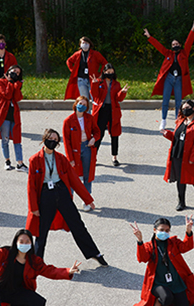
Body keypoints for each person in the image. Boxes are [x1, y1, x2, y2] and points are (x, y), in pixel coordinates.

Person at [26, 128, 108, 266]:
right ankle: (37, 262)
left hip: (62, 193)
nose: (52, 141)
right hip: (45, 196)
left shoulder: (61, 158)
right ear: (44, 139)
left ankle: (94, 253)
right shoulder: (34, 160)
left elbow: (74, 180)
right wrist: (33, 207)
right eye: (50, 139)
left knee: (78, 225)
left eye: (55, 140)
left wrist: (88, 200)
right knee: (41, 231)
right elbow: (31, 186)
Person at [127, 217, 194, 306]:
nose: (164, 233)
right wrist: (140, 241)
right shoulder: (150, 245)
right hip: (159, 283)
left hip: (176, 283)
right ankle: (158, 302)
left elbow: (186, 247)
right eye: (161, 230)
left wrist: (188, 232)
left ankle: (174, 298)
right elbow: (142, 258)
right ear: (154, 230)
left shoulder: (173, 242)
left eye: (167, 230)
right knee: (166, 299)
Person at [144, 20, 194, 130]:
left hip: (179, 79)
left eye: (176, 44)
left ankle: (177, 121)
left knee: (178, 102)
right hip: (169, 79)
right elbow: (159, 46)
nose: (175, 46)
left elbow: (189, 42)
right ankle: (163, 121)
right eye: (173, 44)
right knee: (165, 100)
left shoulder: (184, 53)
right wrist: (149, 37)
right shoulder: (168, 53)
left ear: (180, 45)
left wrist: (192, 30)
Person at [160, 100, 194, 212]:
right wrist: (168, 134)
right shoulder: (181, 120)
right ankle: (181, 202)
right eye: (183, 108)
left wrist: (193, 159)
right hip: (177, 155)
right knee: (180, 180)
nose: (184, 110)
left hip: (191, 157)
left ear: (193, 108)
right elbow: (177, 137)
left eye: (187, 107)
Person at [63, 96, 101, 210]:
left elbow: (97, 132)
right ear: (75, 104)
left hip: (87, 148)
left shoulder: (89, 118)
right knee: (73, 177)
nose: (82, 106)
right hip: (74, 151)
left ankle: (87, 201)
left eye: (84, 105)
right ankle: (69, 200)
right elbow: (66, 141)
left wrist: (94, 139)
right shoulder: (68, 121)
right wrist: (70, 159)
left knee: (87, 175)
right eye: (80, 103)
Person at [90, 63, 129, 166]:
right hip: (101, 110)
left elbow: (118, 98)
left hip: (113, 111)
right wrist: (94, 84)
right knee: (99, 134)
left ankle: (114, 157)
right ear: (104, 72)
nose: (110, 74)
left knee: (115, 134)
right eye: (108, 72)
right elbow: (95, 95)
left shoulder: (116, 84)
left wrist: (123, 92)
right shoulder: (99, 82)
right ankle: (94, 157)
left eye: (112, 72)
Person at [0, 64, 28, 173]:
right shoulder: (0, 82)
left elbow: (17, 98)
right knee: (5, 139)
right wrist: (11, 83)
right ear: (8, 71)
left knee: (17, 140)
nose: (15, 73)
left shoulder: (16, 84)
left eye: (17, 73)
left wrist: (16, 85)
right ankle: (7, 161)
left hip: (14, 115)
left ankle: (20, 163)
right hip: (4, 115)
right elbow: (6, 95)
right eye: (14, 71)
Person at [64, 37, 108, 101]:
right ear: (80, 45)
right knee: (85, 99)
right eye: (83, 43)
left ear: (90, 44)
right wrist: (73, 70)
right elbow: (69, 61)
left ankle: (95, 111)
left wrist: (100, 73)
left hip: (92, 79)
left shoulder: (95, 54)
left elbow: (104, 63)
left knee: (95, 98)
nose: (85, 44)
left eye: (87, 43)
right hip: (81, 79)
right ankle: (87, 111)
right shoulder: (77, 54)